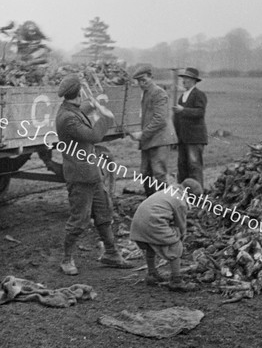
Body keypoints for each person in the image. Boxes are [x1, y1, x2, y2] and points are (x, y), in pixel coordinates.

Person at [55, 74, 134, 275]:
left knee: (103, 212)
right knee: (79, 220)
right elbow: (94, 136)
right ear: (78, 93)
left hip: (92, 173)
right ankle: (66, 260)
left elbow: (80, 112)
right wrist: (105, 117)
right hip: (80, 176)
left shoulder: (70, 110)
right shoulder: (67, 118)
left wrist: (93, 105)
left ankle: (111, 254)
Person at [130, 178, 203, 292]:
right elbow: (180, 224)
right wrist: (181, 237)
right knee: (175, 244)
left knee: (150, 244)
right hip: (151, 224)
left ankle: (152, 273)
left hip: (138, 225)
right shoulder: (180, 202)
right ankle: (176, 280)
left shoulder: (168, 191)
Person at [129, 65, 177, 197]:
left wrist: (143, 134)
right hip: (150, 139)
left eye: (144, 80)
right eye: (139, 81)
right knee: (145, 173)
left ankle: (165, 204)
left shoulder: (158, 93)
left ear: (151, 77)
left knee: (159, 173)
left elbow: (160, 119)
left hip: (160, 139)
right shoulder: (145, 94)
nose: (141, 83)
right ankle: (150, 201)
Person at [172, 67, 208, 188]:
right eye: (183, 78)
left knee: (194, 166)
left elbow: (200, 112)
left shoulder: (199, 95)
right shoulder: (182, 97)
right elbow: (177, 118)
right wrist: (175, 137)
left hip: (195, 138)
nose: (183, 81)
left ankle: (198, 197)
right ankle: (183, 195)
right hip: (182, 138)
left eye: (186, 78)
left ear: (193, 80)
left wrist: (183, 110)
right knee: (182, 167)